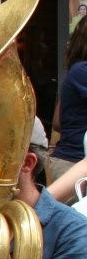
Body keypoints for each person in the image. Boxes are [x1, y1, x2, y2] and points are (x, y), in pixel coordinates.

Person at [49, 16, 87, 182]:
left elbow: (58, 122)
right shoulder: (82, 70)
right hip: (74, 163)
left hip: (72, 161)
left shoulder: (76, 70)